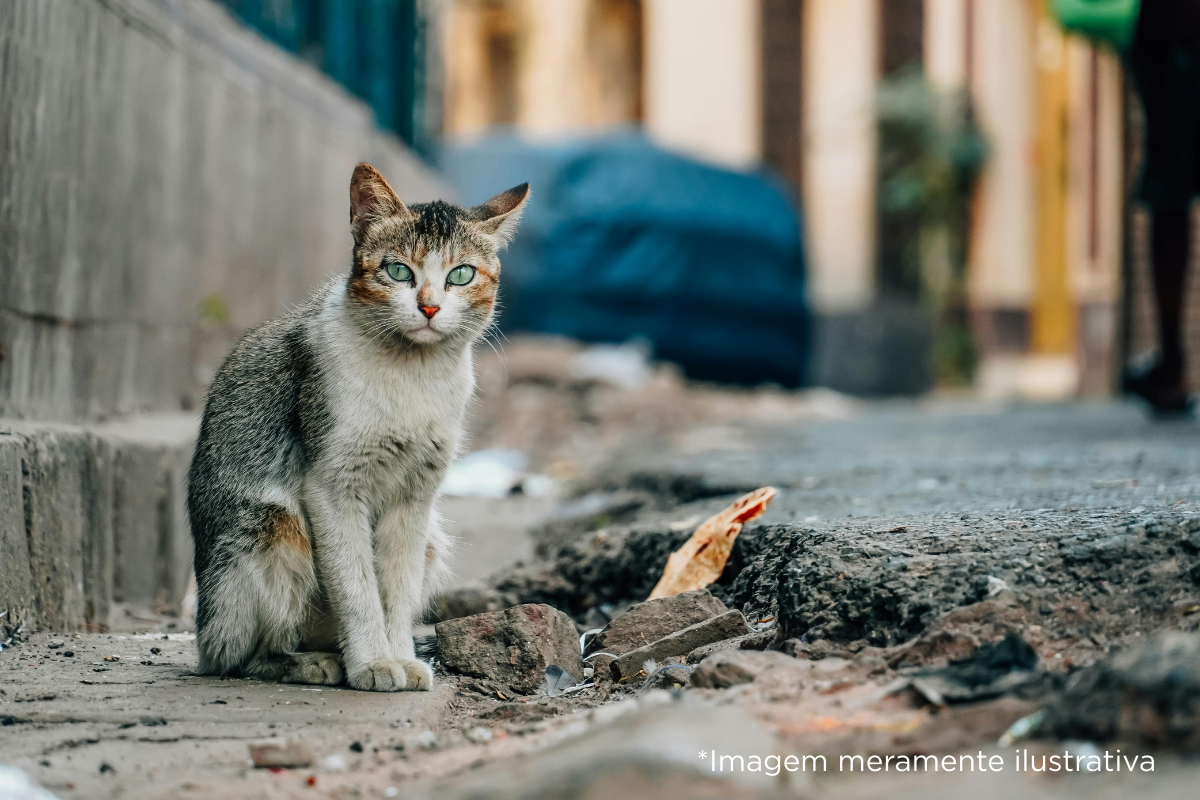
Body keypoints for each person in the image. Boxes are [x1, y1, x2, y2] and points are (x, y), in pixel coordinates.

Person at [1123, 0, 1200, 413]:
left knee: (1169, 196)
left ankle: (1172, 368)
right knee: (1168, 194)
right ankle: (1171, 366)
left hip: (1178, 36)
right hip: (1172, 35)